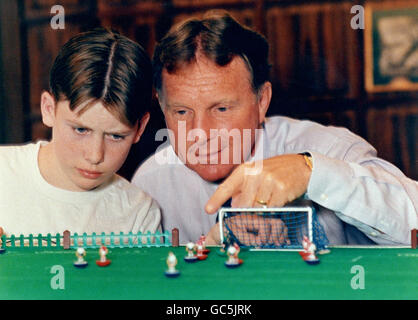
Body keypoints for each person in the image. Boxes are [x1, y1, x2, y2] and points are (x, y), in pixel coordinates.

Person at [132, 11, 417, 246]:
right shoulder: (150, 185)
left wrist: (312, 174)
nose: (201, 133)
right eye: (182, 112)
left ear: (261, 100)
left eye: (221, 109)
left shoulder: (332, 150)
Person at [0, 28, 161, 237]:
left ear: (140, 128)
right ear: (49, 109)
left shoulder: (139, 215)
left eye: (116, 136)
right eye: (81, 129)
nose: (95, 155)